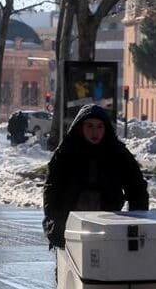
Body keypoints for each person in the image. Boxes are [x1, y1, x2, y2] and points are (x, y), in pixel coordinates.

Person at [42, 104, 148, 250]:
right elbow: (52, 189)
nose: (95, 132)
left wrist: (136, 223)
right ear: (81, 127)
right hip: (71, 223)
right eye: (90, 126)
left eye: (99, 127)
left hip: (109, 223)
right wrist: (55, 222)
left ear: (106, 128)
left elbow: (137, 187)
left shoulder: (117, 153)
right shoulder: (66, 152)